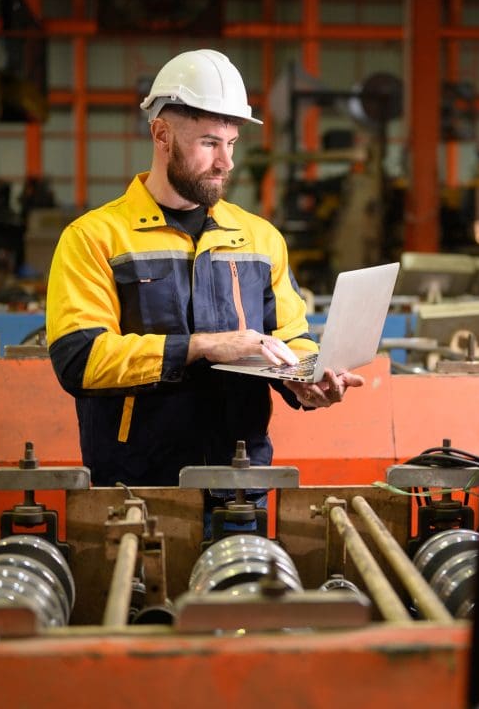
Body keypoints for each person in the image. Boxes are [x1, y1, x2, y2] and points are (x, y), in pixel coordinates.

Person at [45, 49, 364, 500]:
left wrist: (307, 381)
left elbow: (292, 337)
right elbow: (80, 359)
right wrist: (199, 347)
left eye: (231, 144)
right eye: (210, 143)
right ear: (161, 135)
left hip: (240, 485)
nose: (226, 162)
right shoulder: (95, 238)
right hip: (136, 489)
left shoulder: (260, 238)